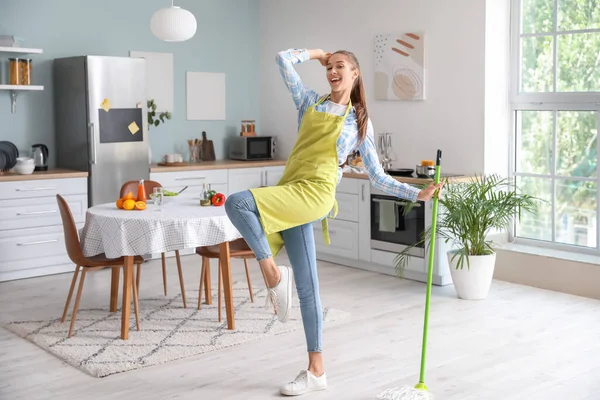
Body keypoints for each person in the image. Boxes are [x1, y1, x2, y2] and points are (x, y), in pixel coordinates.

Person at [224, 48, 443, 396]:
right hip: (292, 186)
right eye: (330, 66)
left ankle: (273, 275)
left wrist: (415, 195)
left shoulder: (360, 124)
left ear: (355, 73)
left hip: (315, 194)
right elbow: (282, 59)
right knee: (309, 287)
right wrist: (317, 53)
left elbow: (378, 176)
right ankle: (316, 371)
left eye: (340, 66)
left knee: (238, 202)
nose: (332, 70)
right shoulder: (309, 101)